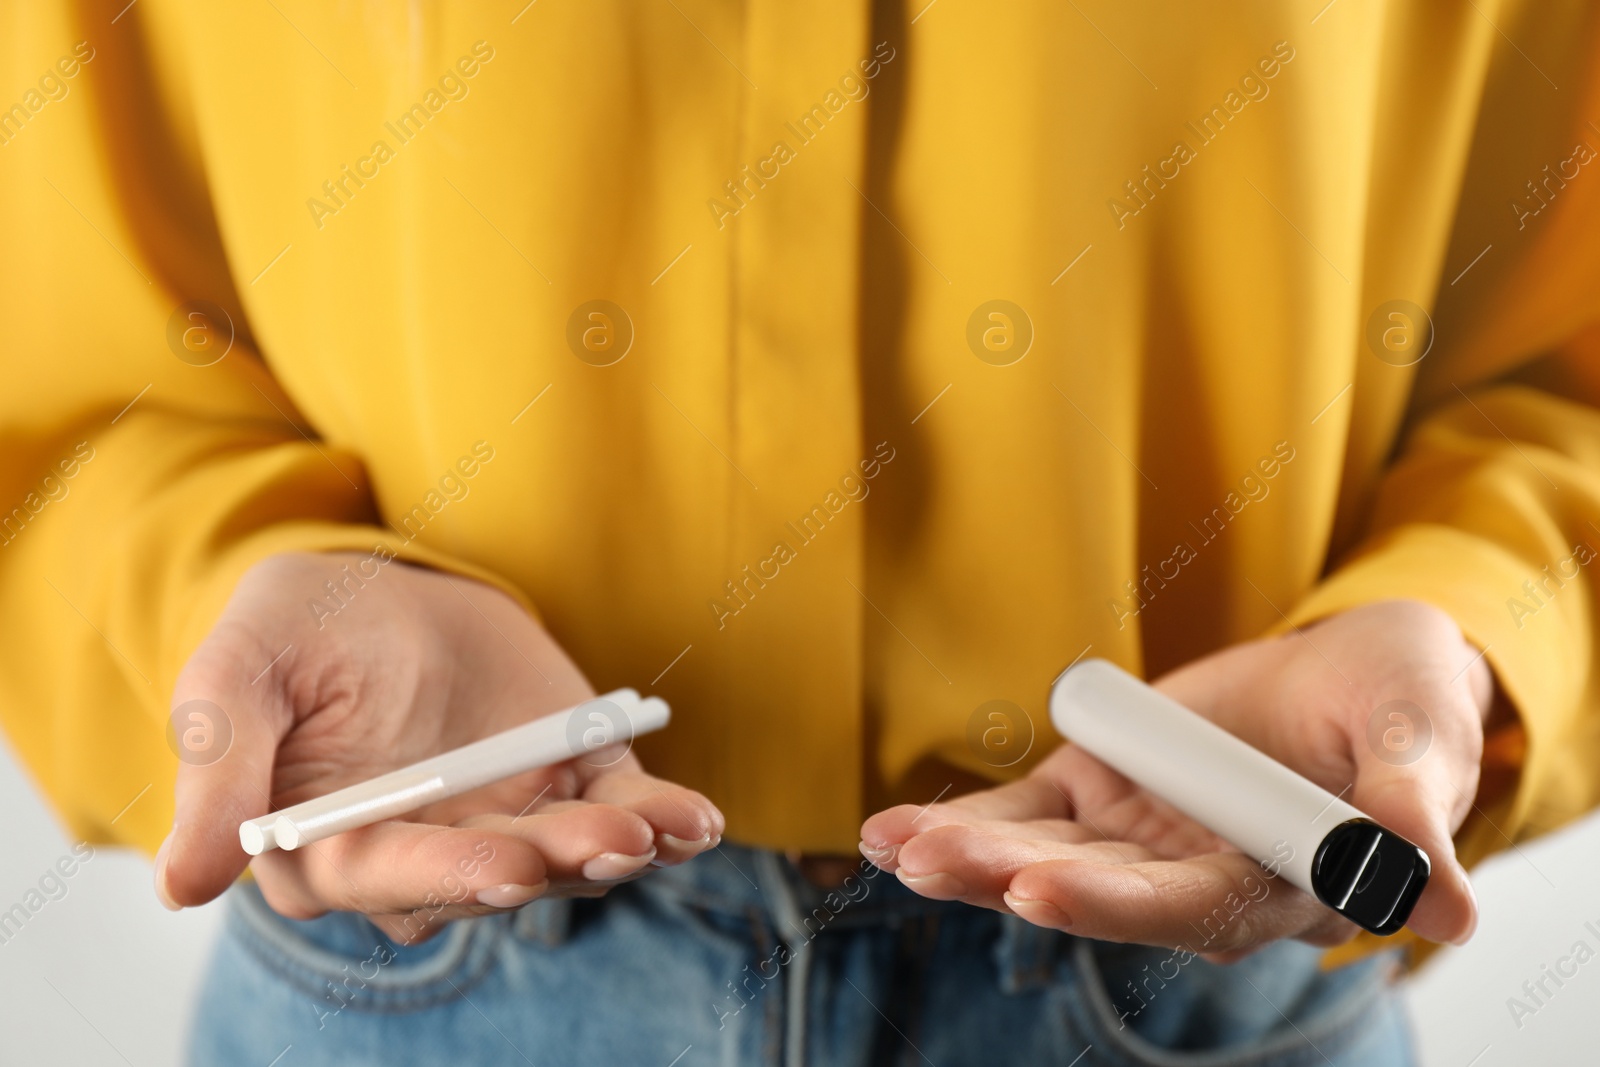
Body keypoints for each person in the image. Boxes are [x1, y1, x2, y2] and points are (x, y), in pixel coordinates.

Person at [3, 2, 1598, 1064]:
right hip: (417, 969)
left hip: (1193, 973)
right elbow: (61, 351)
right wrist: (220, 583)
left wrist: (1467, 618)